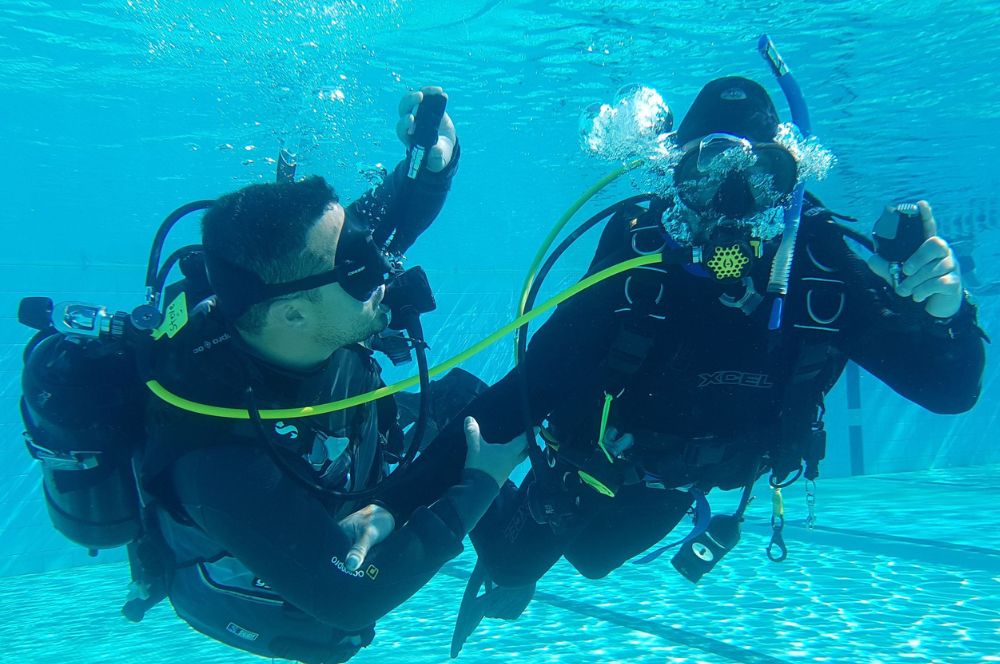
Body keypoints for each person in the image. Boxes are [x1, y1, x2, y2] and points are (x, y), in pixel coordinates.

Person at [380, 76, 986, 656]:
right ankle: (448, 402)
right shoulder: (641, 260)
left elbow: (950, 388)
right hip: (601, 457)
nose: (729, 206)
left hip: (679, 477)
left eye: (759, 179)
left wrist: (949, 312)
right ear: (675, 175)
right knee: (512, 565)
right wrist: (387, 508)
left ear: (788, 179)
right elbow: (525, 394)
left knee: (590, 563)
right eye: (705, 174)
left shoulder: (820, 267)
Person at [137, 87, 527, 664]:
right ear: (292, 313)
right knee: (333, 636)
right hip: (273, 574)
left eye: (358, 244)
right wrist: (476, 489)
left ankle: (512, 565)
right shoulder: (217, 462)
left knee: (468, 400)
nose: (381, 265)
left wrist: (433, 167)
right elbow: (348, 602)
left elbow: (386, 215)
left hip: (337, 453)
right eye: (355, 263)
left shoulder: (302, 293)